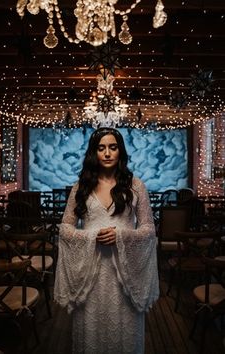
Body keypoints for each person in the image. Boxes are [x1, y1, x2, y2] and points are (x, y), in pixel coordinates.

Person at [54, 127, 159, 354]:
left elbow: (149, 229)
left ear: (120, 151)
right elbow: (65, 228)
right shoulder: (81, 186)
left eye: (113, 147)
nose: (108, 153)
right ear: (94, 153)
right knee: (91, 328)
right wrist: (92, 237)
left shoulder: (136, 185)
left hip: (126, 271)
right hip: (90, 271)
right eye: (101, 148)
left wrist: (121, 235)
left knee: (125, 326)